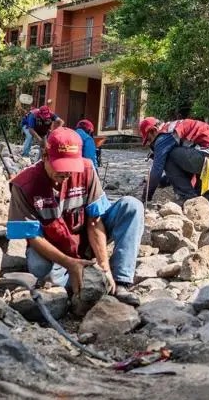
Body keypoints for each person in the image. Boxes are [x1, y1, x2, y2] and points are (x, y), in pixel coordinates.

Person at [8, 126, 142, 306]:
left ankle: (121, 281)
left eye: (70, 168)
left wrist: (104, 267)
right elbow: (33, 237)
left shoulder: (86, 170)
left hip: (84, 238)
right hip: (52, 246)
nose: (65, 174)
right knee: (40, 267)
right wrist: (69, 263)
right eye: (60, 167)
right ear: (45, 156)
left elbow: (95, 222)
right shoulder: (24, 185)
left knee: (132, 207)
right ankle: (71, 279)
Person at [139, 116, 209, 204]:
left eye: (149, 139)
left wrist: (145, 197)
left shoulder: (164, 135)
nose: (150, 144)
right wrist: (160, 182)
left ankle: (185, 198)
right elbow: (179, 173)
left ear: (153, 130)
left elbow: (157, 170)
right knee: (199, 199)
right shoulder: (175, 129)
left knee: (168, 155)